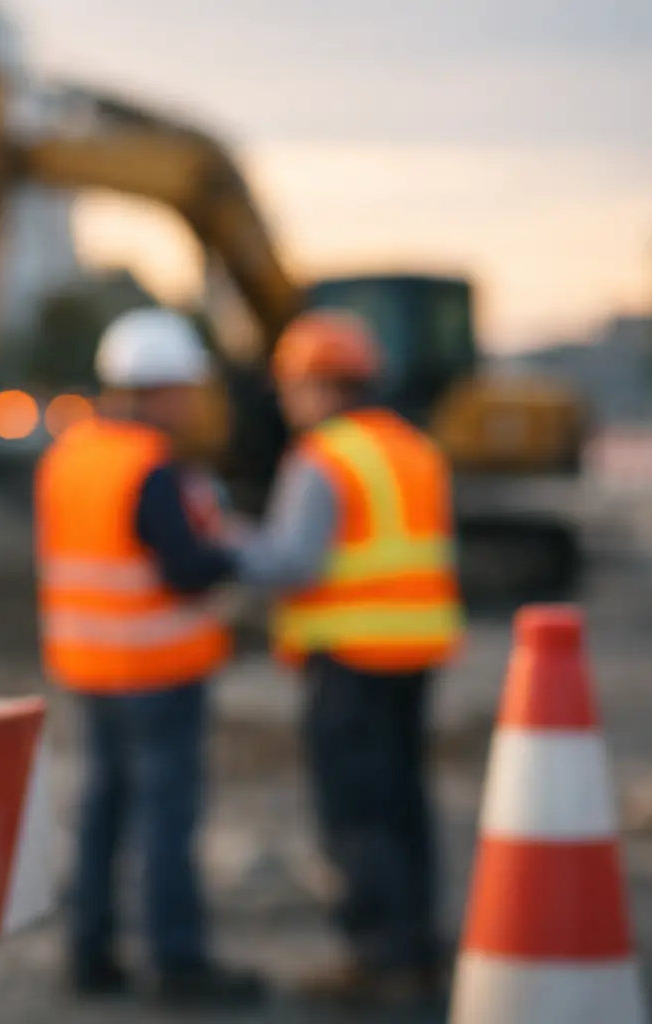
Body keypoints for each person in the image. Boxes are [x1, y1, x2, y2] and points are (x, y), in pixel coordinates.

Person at [224, 310, 463, 1007]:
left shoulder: (322, 459)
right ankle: (416, 946)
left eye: (291, 387)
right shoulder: (414, 449)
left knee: (357, 812)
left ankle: (378, 957)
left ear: (321, 386)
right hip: (414, 651)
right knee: (404, 802)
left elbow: (291, 560)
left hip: (350, 656)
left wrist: (223, 539)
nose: (286, 401)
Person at [34, 307, 265, 1009]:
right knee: (167, 816)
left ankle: (90, 954)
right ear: (159, 390)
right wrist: (237, 553)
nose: (193, 404)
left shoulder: (69, 454)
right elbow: (186, 569)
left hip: (90, 667)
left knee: (103, 808)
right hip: (158, 670)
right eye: (186, 390)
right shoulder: (151, 467)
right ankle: (177, 961)